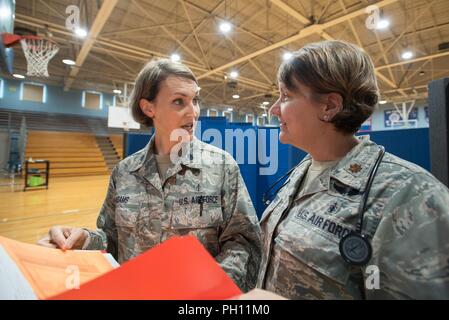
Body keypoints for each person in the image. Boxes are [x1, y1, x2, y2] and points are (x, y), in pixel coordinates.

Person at [246, 40, 449, 299]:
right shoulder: (304, 170)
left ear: (329, 106)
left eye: (286, 96)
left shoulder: (411, 195)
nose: (274, 109)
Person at [38, 59, 261, 292]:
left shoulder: (222, 166)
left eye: (195, 100)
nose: (192, 111)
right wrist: (84, 239)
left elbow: (243, 243)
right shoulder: (124, 172)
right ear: (149, 108)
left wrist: (212, 289)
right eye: (179, 101)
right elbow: (112, 241)